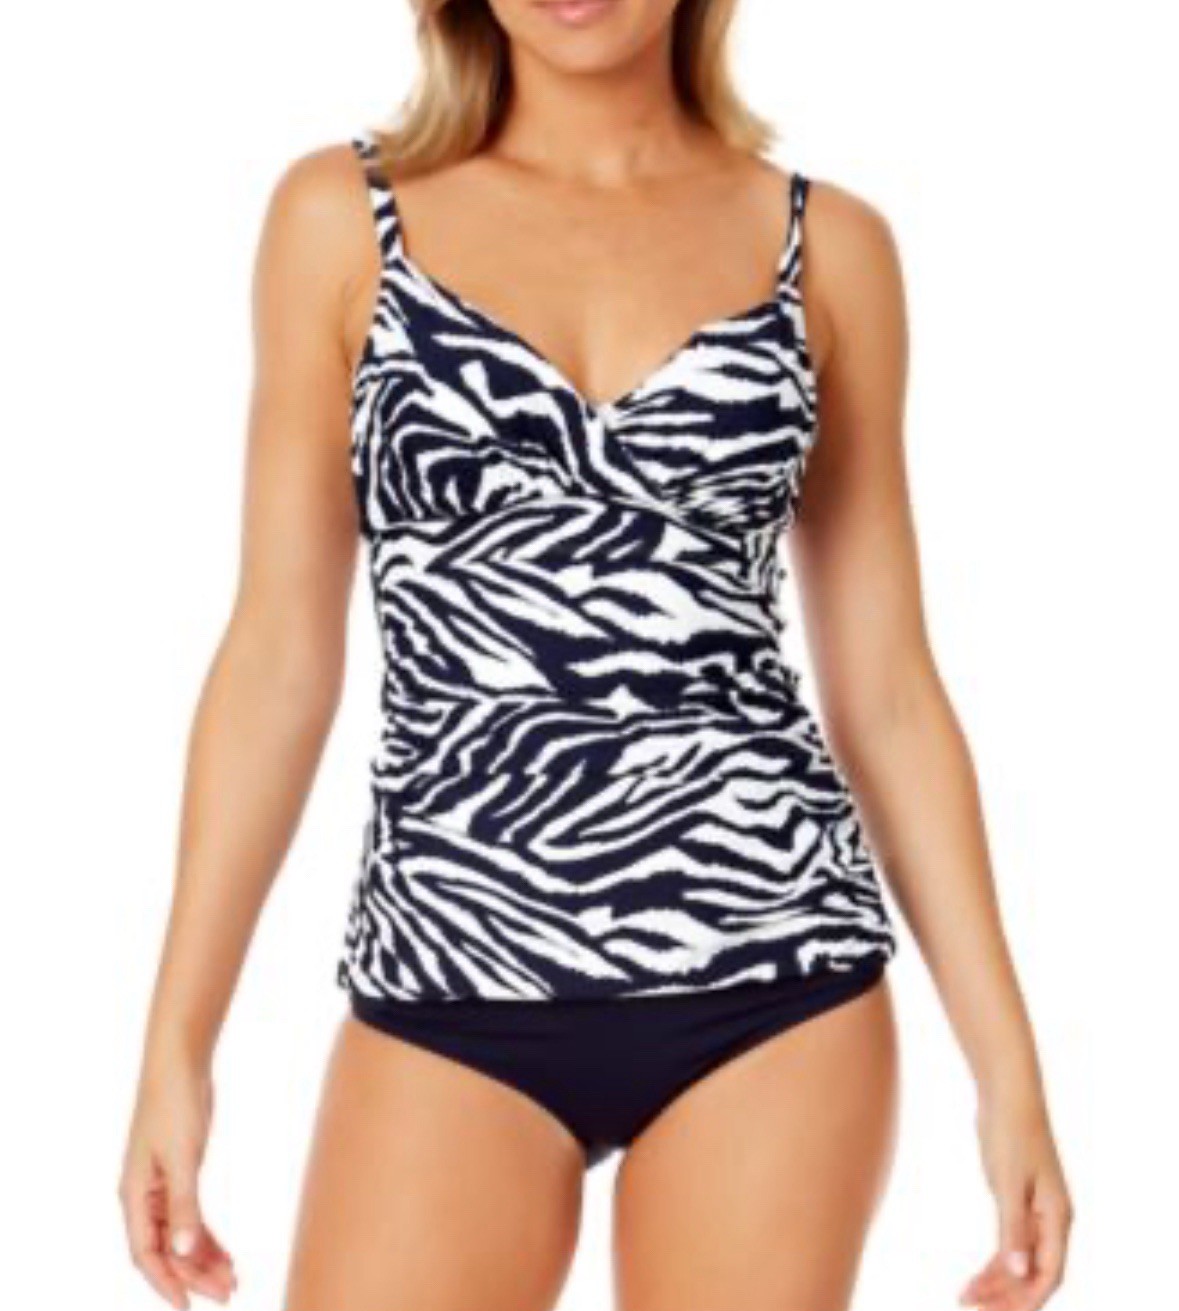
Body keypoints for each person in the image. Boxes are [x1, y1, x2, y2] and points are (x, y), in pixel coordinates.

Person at [118, 2, 1073, 1308]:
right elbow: (278, 658)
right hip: (451, 974)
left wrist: (1008, 1074)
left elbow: (891, 693)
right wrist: (179, 1044)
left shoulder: (828, 249)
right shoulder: (339, 221)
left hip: (771, 980)